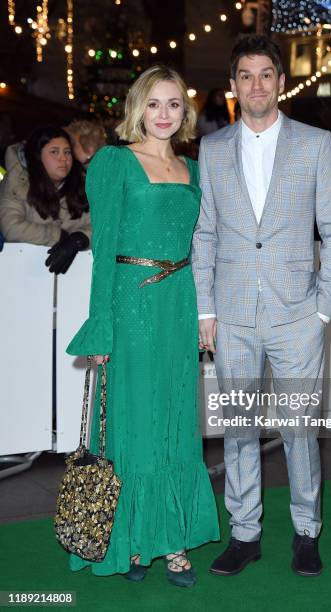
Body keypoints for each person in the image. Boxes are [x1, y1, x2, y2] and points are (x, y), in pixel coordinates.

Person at [192, 35, 331, 577]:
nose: (256, 84)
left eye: (265, 74)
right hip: (232, 315)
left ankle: (307, 532)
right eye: (245, 75)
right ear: (233, 85)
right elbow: (205, 233)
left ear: (281, 82)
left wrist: (322, 312)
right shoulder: (211, 150)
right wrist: (204, 310)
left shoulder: (315, 142)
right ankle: (245, 533)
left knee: (301, 429)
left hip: (297, 314)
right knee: (238, 427)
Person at [65, 64, 219, 586]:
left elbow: (199, 248)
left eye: (174, 104)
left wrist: (203, 313)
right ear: (137, 107)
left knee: (176, 420)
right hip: (130, 303)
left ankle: (173, 541)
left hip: (178, 302)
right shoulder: (114, 162)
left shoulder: (194, 170)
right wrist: (101, 325)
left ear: (186, 111)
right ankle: (131, 540)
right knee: (133, 421)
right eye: (154, 103)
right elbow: (104, 248)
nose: (164, 114)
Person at [0, 126, 91, 273]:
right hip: (19, 273)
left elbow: (100, 226)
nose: (63, 158)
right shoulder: (16, 182)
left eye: (67, 152)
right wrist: (59, 236)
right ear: (37, 156)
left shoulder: (81, 185)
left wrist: (80, 238)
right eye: (54, 152)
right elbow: (11, 227)